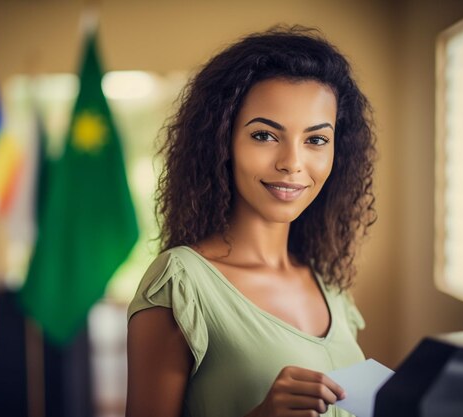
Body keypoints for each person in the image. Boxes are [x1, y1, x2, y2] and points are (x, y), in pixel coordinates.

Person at [126, 26, 376, 417]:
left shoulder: (331, 289)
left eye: (315, 140)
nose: (292, 163)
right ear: (222, 141)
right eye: (264, 135)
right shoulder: (181, 284)